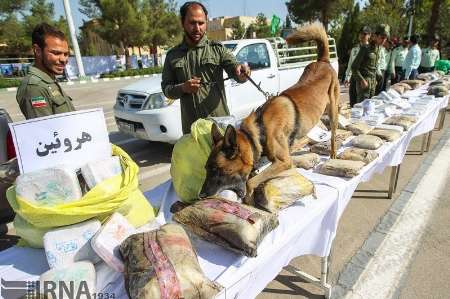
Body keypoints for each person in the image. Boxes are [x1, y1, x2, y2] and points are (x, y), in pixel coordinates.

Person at [161, 1, 250, 134]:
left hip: (219, 129)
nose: (197, 28)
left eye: (201, 23)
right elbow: (166, 89)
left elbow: (235, 69)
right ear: (182, 23)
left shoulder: (217, 49)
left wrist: (241, 72)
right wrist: (183, 88)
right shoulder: (172, 55)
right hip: (192, 131)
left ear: (206, 23)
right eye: (192, 23)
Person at [16, 23, 75, 120]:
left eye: (66, 54)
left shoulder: (48, 80)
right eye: (56, 53)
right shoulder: (35, 87)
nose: (63, 59)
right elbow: (46, 132)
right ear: (37, 50)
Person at [351, 24, 389, 104]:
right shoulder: (365, 48)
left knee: (370, 109)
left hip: (372, 84)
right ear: (375, 36)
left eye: (385, 38)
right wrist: (362, 80)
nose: (384, 40)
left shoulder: (378, 49)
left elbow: (374, 67)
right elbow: (354, 67)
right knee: (361, 109)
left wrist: (376, 78)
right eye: (382, 37)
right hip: (364, 85)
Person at [344, 26, 371, 107]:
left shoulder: (371, 49)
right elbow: (350, 64)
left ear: (369, 35)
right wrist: (347, 77)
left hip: (364, 78)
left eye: (365, 34)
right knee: (353, 101)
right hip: (354, 77)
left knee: (362, 103)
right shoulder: (354, 49)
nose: (362, 35)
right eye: (361, 33)